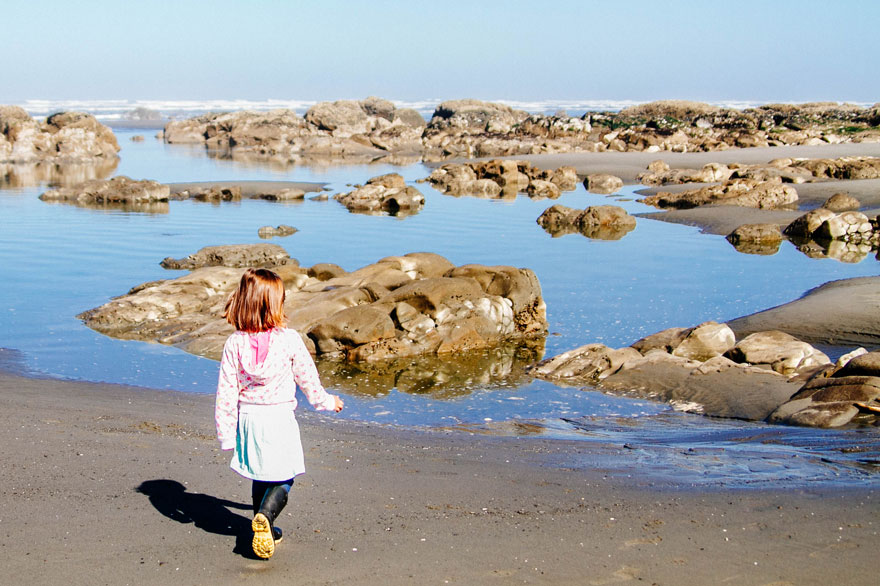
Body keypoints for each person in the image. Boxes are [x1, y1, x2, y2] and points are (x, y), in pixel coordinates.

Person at [215, 268, 344, 559]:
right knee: (285, 475)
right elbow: (308, 380)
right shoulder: (289, 340)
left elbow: (226, 392)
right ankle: (266, 517)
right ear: (275, 305)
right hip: (279, 418)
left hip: (249, 420)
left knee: (260, 475)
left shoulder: (234, 343)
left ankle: (264, 528)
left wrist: (226, 434)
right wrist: (327, 402)